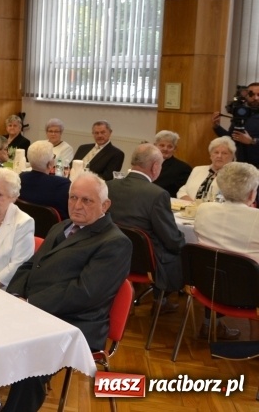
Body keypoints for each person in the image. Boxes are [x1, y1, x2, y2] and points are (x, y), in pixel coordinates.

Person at [2, 173, 131, 412]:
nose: (77, 205)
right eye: (73, 198)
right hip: (39, 309)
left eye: (86, 200)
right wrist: (16, 297)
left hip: (76, 323)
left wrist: (29, 303)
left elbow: (84, 293)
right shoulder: (62, 225)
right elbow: (31, 265)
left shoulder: (114, 242)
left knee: (32, 360)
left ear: (105, 205)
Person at [106, 143, 185, 314]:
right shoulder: (157, 194)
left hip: (114, 253)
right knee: (180, 251)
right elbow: (171, 239)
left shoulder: (110, 186)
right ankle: (161, 300)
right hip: (145, 262)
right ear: (155, 166)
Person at [194, 161, 259, 339]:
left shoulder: (203, 210)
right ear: (253, 193)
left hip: (207, 286)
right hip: (247, 294)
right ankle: (254, 340)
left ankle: (210, 324)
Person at [19, 140, 71, 219]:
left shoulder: (21, 178)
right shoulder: (62, 184)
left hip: (25, 225)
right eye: (53, 157)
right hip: (54, 229)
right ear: (50, 164)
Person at [212, 81, 259, 167]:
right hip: (240, 164)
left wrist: (252, 141)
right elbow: (231, 138)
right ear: (246, 95)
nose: (255, 98)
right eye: (252, 94)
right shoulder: (241, 113)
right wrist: (217, 126)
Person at [177, 136, 236, 201]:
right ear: (210, 155)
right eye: (216, 152)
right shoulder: (197, 170)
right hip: (189, 208)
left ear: (232, 157)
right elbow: (183, 191)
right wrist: (192, 204)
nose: (219, 156)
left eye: (224, 153)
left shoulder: (234, 175)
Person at [152, 130, 192, 196]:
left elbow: (180, 192)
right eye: (162, 145)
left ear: (175, 149)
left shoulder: (183, 168)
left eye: (170, 146)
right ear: (155, 146)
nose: (165, 149)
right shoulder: (146, 163)